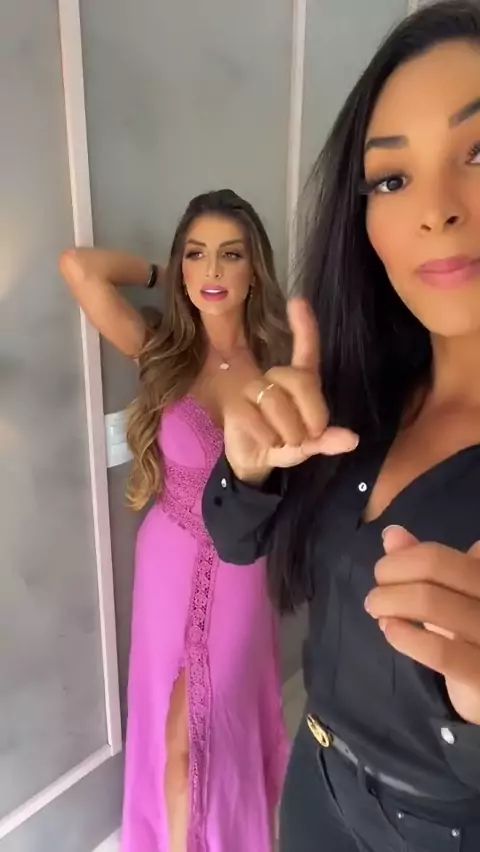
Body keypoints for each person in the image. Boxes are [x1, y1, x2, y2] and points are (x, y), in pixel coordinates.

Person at [202, 3, 480, 850]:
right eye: (391, 180)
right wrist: (250, 467)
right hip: (315, 788)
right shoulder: (359, 396)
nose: (436, 210)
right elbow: (237, 541)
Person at [59, 189, 291, 852]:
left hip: (241, 565)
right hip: (168, 559)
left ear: (255, 270)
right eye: (197, 255)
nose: (212, 271)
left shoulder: (281, 363)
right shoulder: (162, 348)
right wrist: (163, 275)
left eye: (230, 256)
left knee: (209, 730)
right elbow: (79, 268)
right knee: (170, 736)